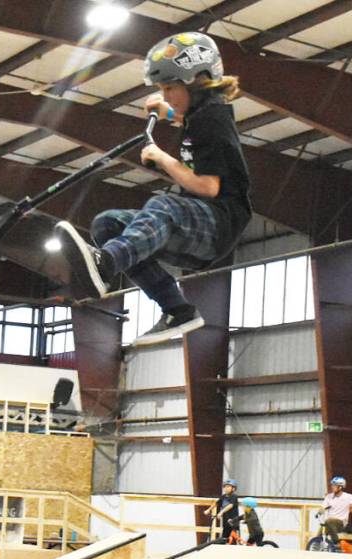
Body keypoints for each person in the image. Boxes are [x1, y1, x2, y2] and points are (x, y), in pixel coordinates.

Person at [55, 32, 251, 346]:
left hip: (218, 224)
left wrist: (162, 158)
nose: (167, 95)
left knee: (163, 206)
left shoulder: (213, 119)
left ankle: (106, 265)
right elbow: (190, 121)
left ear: (196, 81)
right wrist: (168, 112)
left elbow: (208, 187)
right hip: (198, 225)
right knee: (108, 223)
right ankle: (177, 309)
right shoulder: (201, 114)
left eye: (170, 88)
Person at [321, 476, 352, 547]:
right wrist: (319, 512)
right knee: (319, 534)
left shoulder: (348, 497)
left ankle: (336, 543)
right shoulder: (329, 497)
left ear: (340, 487)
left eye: (334, 485)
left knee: (328, 521)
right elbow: (323, 506)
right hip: (330, 523)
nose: (332, 487)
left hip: (341, 523)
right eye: (332, 485)